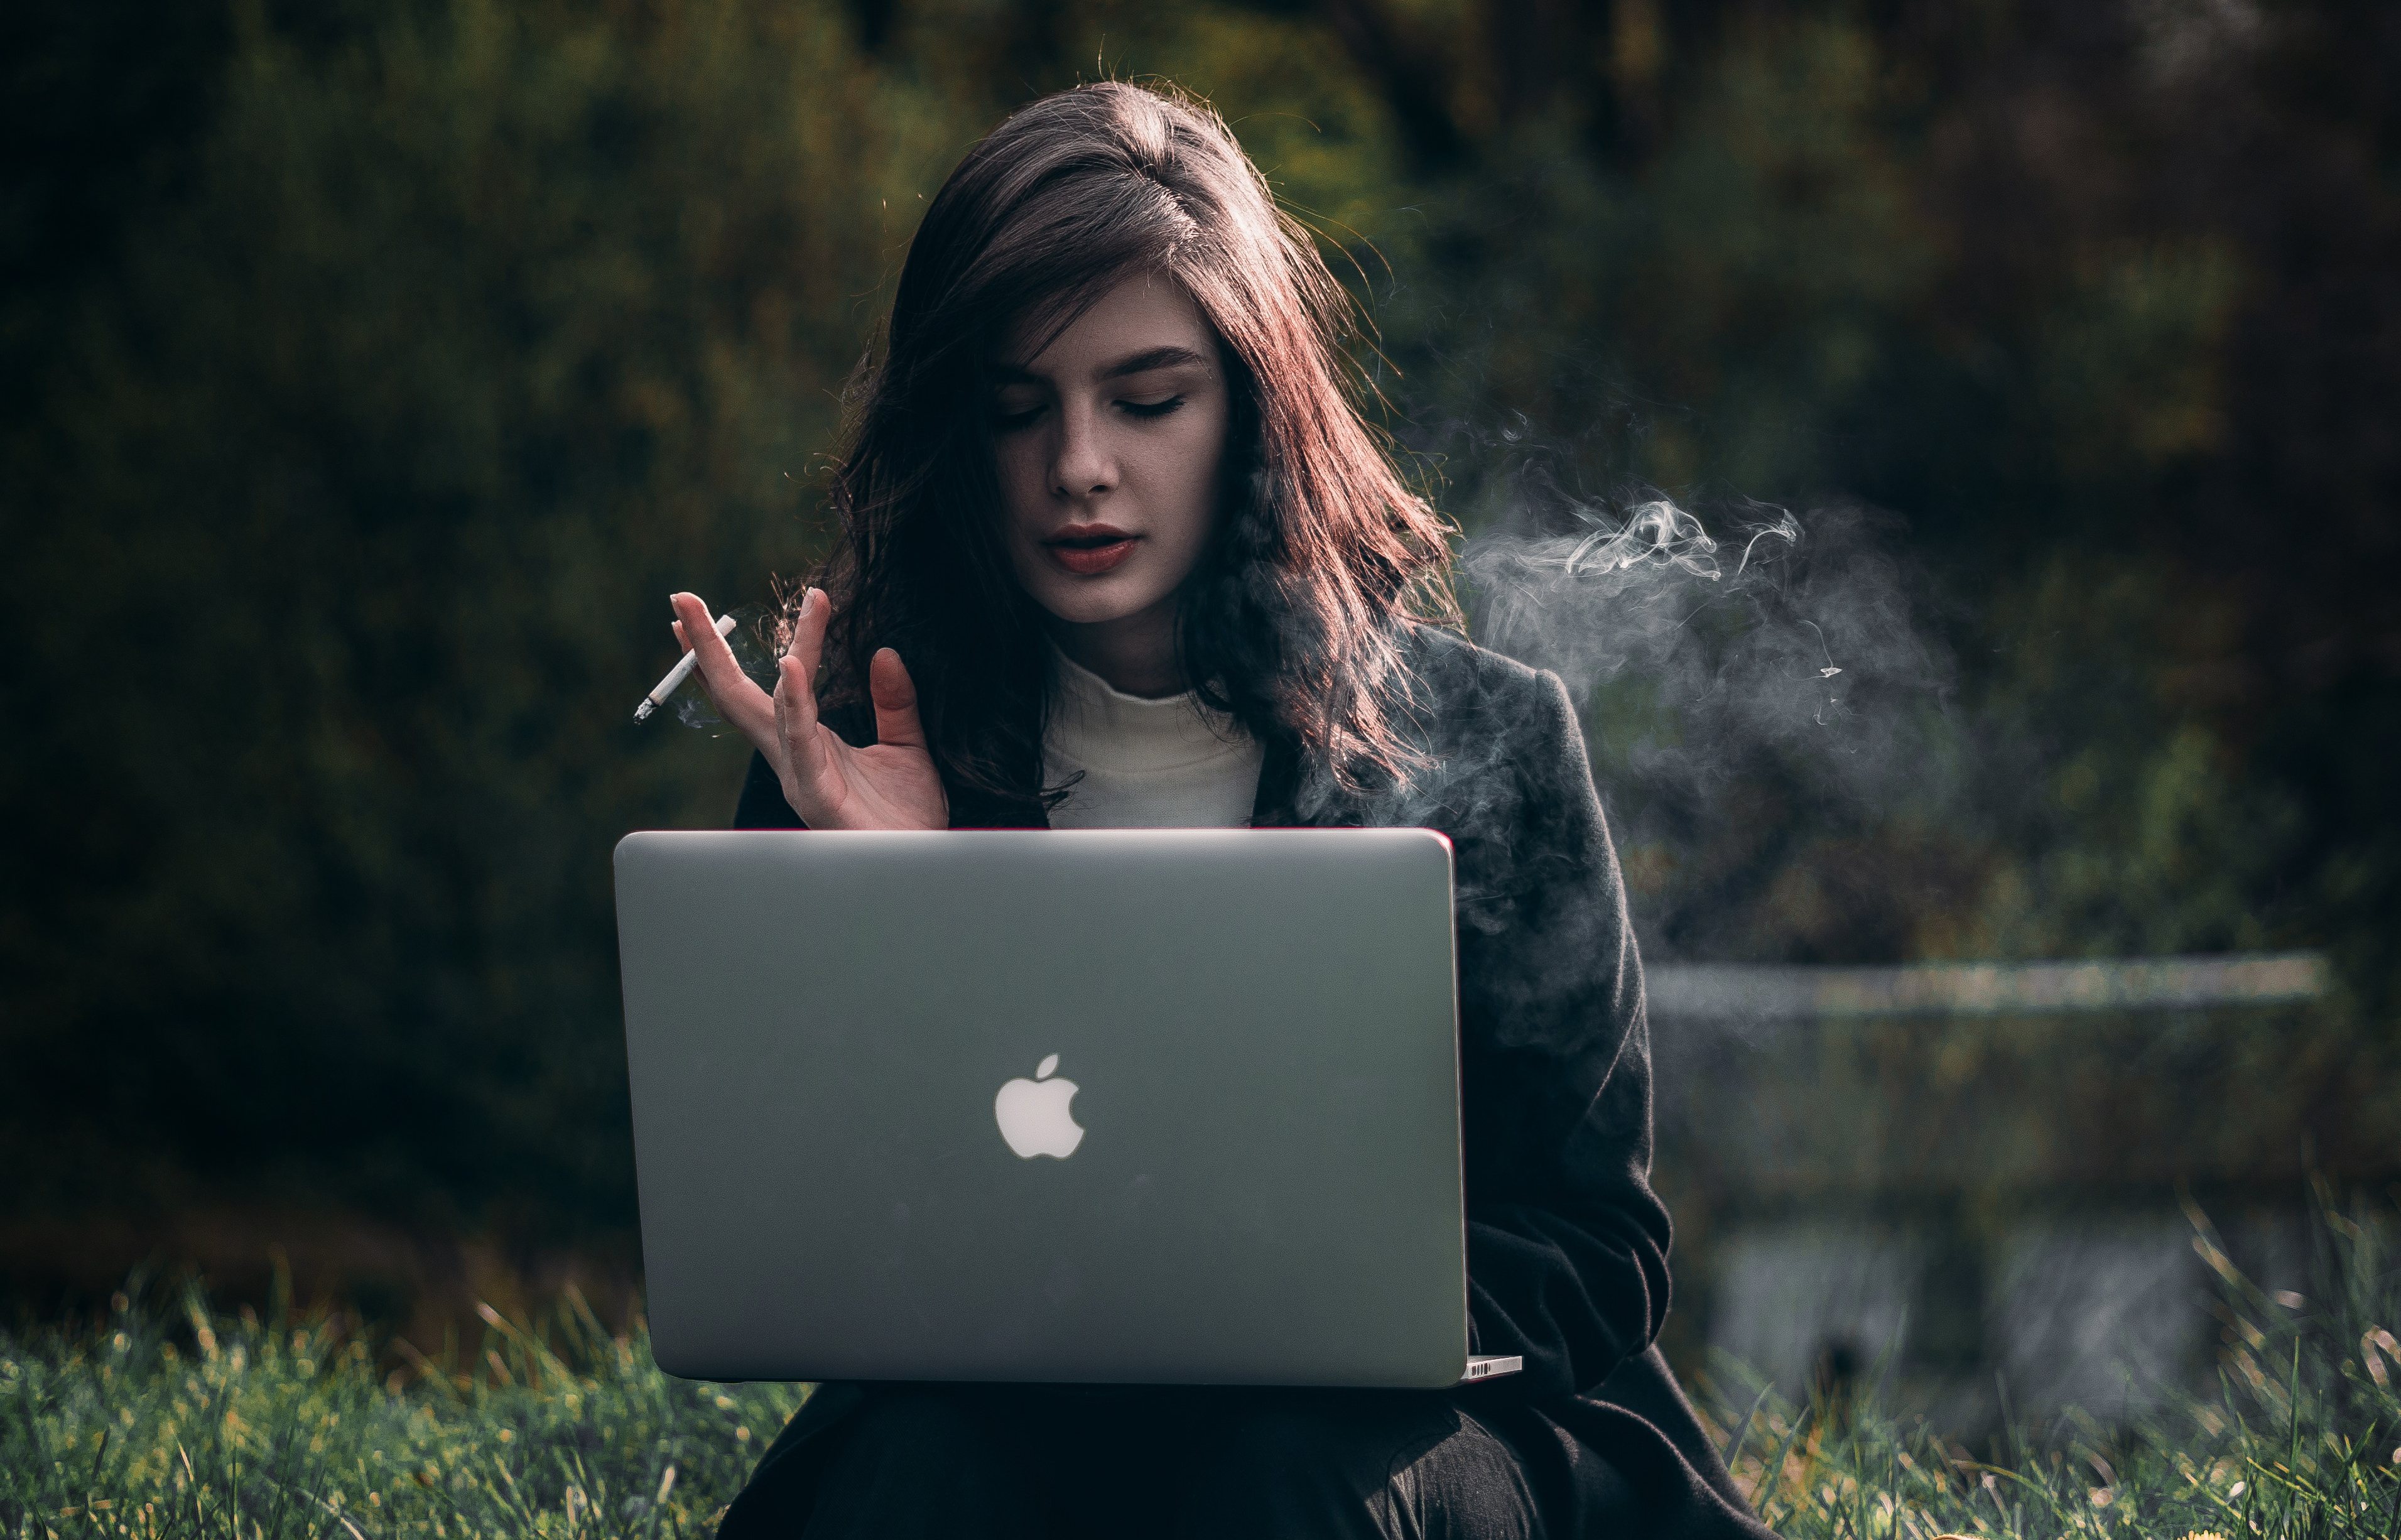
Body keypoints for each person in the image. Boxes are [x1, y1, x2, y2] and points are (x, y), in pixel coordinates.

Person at [668, 80, 1770, 1540]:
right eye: (1018, 408)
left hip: (1394, 1437)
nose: (1079, 466)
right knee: (909, 1480)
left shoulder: (1489, 740)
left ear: (1252, 402)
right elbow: (806, 1241)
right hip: (1009, 1430)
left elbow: (1595, 1243)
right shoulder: (858, 751)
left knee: (1281, 1469)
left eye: (1146, 398)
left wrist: (1326, 1311)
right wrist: (906, 899)